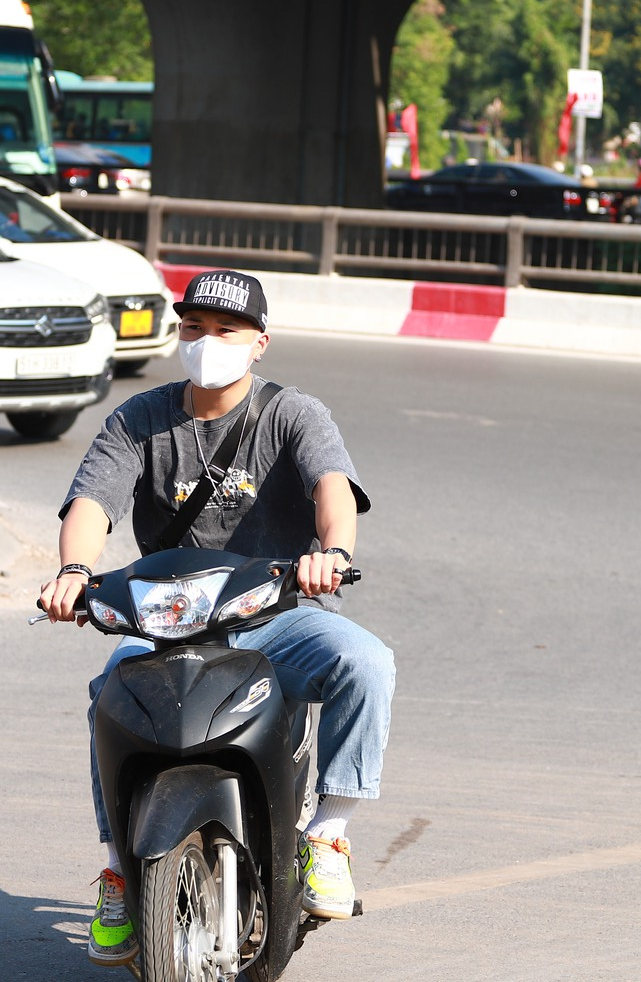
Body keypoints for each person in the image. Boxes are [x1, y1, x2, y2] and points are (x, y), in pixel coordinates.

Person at [41, 268, 393, 967]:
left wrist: (333, 550)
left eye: (226, 330)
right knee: (106, 694)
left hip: (275, 615)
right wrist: (75, 572)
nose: (208, 343)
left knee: (366, 662)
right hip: (168, 622)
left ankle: (327, 832)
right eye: (194, 328)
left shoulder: (293, 414)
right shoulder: (139, 418)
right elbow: (91, 504)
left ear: (259, 342)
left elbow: (333, 489)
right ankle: (118, 866)